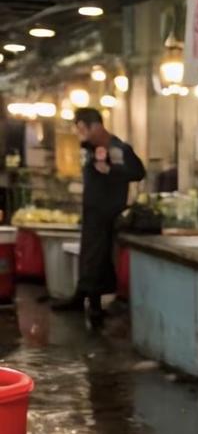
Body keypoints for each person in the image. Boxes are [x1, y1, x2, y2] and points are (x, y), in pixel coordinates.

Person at [55, 108, 145, 325]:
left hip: (107, 213)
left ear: (95, 127)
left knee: (98, 257)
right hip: (93, 211)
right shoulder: (93, 149)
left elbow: (137, 172)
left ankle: (94, 305)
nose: (80, 134)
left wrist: (110, 170)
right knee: (90, 255)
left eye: (82, 129)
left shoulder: (116, 148)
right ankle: (83, 297)